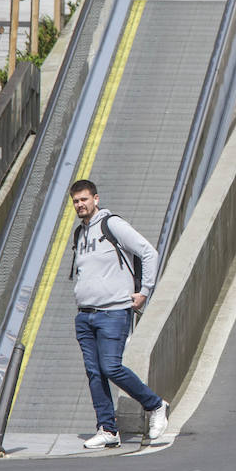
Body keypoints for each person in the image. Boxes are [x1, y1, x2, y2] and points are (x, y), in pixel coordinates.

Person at [68, 179, 168, 449]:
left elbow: (148, 252)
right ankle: (107, 429)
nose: (80, 205)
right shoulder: (80, 234)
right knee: (94, 372)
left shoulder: (110, 224)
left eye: (84, 199)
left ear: (96, 199)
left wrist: (145, 290)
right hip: (85, 315)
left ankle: (156, 405)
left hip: (113, 312)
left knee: (110, 367)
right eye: (76, 201)